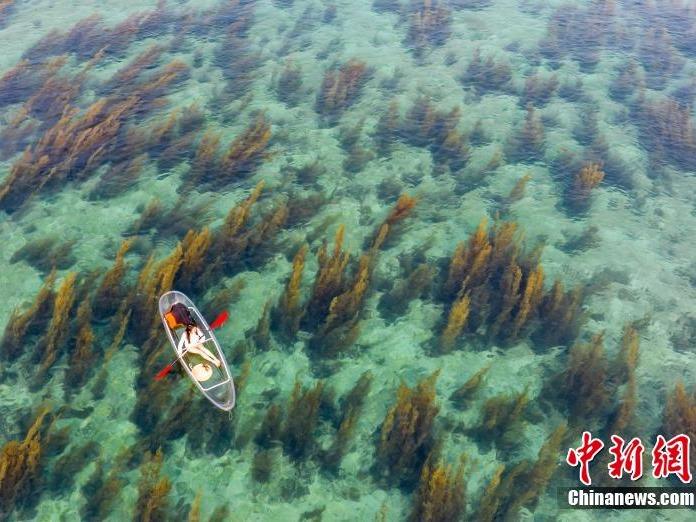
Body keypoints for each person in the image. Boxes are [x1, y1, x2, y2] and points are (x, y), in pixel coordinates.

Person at [170, 304, 221, 368]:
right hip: (190, 347)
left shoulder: (196, 329)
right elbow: (180, 343)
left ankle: (216, 359)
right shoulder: (185, 334)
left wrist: (200, 341)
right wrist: (179, 352)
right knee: (200, 352)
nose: (195, 330)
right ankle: (214, 362)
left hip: (197, 343)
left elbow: (202, 337)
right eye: (193, 330)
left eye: (195, 328)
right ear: (189, 331)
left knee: (203, 349)